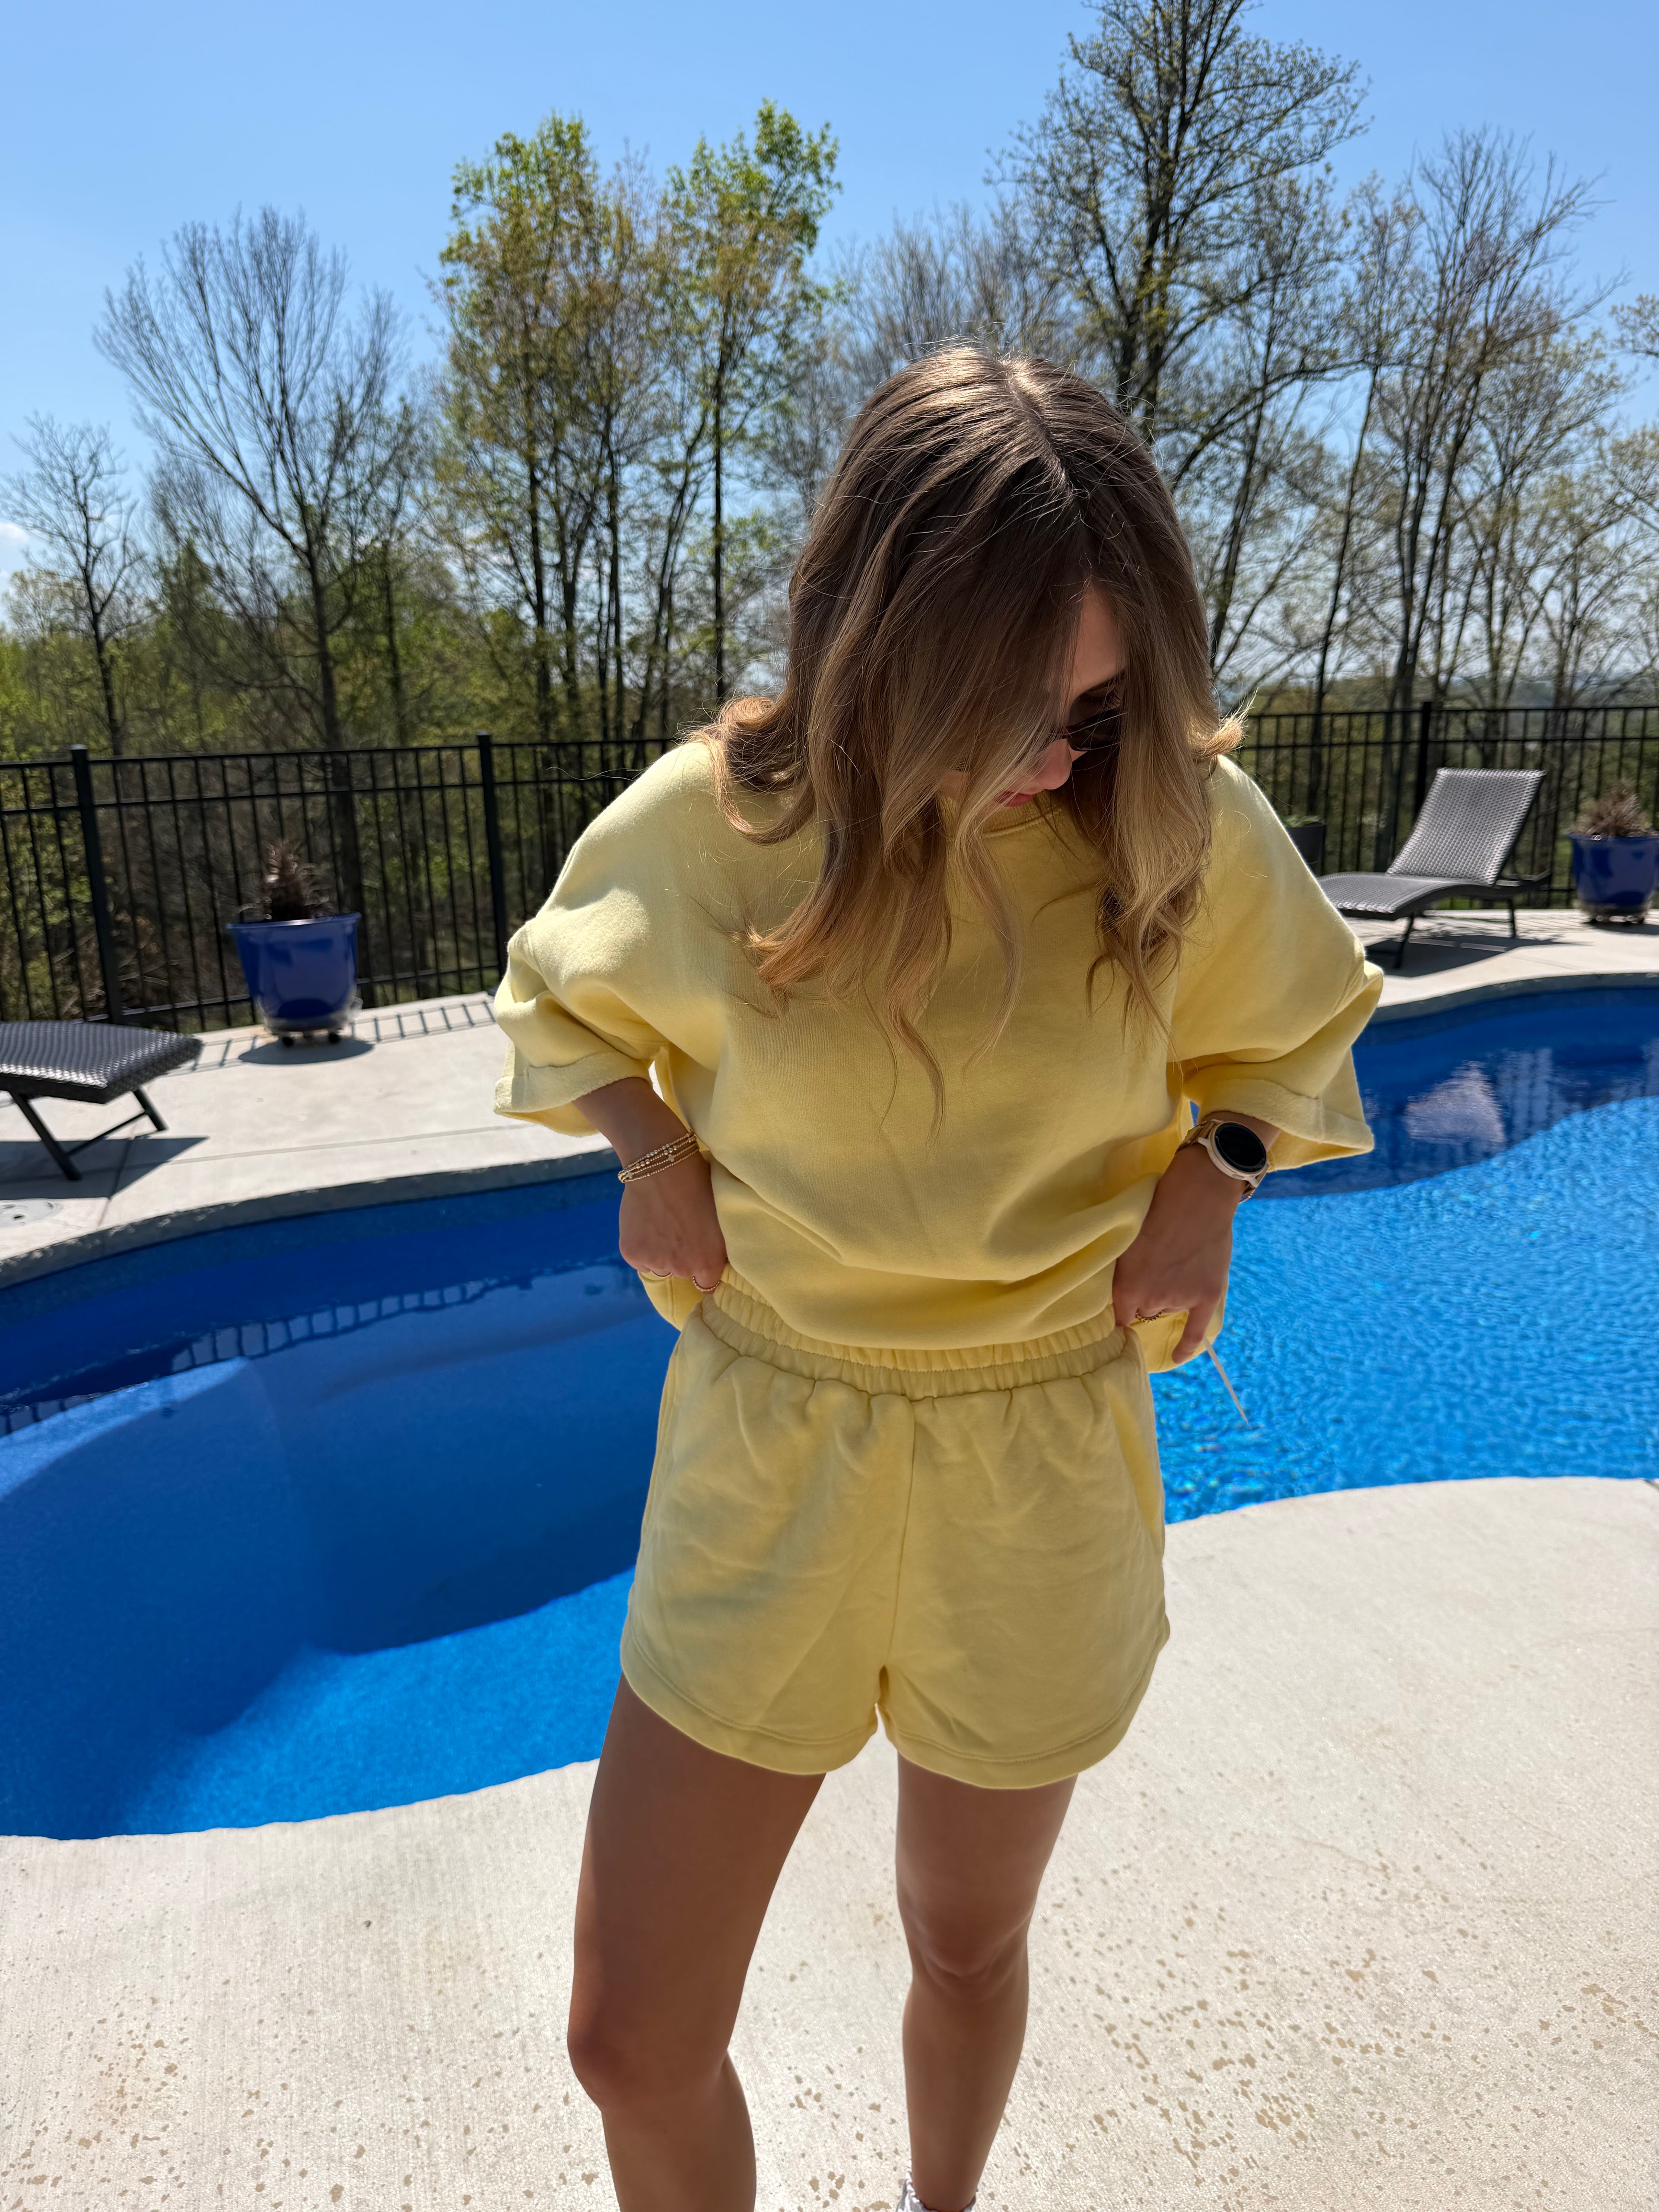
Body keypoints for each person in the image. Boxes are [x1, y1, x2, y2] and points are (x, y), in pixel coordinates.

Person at [493, 346, 1380, 2212]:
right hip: (770, 1440)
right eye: (1024, 705)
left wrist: (1216, 1175)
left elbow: (1293, 1048)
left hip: (1037, 1453)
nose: (1072, 750)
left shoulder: (1171, 825)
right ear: (875, 645)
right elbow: (556, 1001)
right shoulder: (712, 825)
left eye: (1107, 696)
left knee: (964, 1943)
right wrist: (648, 1156)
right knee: (627, 2034)